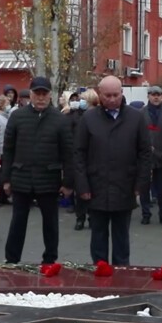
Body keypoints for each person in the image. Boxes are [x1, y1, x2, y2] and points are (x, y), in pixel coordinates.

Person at [74, 76, 150, 266]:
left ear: (121, 93)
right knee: (98, 236)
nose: (112, 99)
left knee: (121, 237)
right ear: (100, 94)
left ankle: (121, 274)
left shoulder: (136, 117)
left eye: (116, 95)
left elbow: (145, 153)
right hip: (96, 187)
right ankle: (99, 273)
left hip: (125, 186)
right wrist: (82, 185)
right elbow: (78, 154)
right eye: (107, 95)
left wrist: (140, 184)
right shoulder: (88, 118)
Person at [2, 76, 73, 265]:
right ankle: (11, 259)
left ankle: (50, 260)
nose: (40, 98)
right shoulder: (17, 116)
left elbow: (69, 154)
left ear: (50, 95)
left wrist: (68, 183)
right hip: (21, 177)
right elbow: (8, 149)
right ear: (30, 94)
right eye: (37, 93)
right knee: (18, 221)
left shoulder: (60, 119)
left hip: (49, 179)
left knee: (50, 223)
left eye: (44, 94)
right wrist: (6, 179)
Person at [141, 85, 162, 228]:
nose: (156, 97)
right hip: (145, 155)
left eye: (158, 95)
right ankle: (145, 214)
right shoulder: (140, 113)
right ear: (148, 96)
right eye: (153, 94)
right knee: (144, 187)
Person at [72, 89, 99, 231]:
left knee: (91, 191)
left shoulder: (97, 115)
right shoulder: (77, 114)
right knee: (81, 190)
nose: (80, 101)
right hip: (81, 156)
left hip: (93, 157)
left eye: (83, 99)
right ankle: (81, 218)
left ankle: (90, 217)